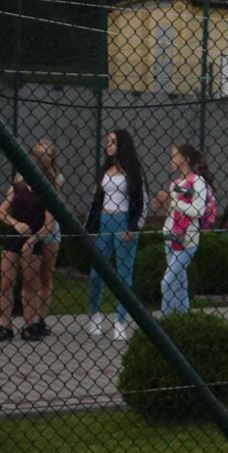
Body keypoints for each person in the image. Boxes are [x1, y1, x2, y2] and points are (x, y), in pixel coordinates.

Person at [84, 128, 145, 341]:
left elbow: (140, 202)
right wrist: (90, 227)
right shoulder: (104, 170)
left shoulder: (133, 171)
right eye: (107, 141)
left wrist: (133, 227)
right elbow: (95, 200)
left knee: (124, 274)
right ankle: (94, 315)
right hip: (103, 221)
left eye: (112, 142)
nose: (108, 145)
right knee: (96, 272)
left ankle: (120, 321)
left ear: (122, 145)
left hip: (123, 222)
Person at [0, 167, 52, 342]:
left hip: (34, 238)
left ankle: (29, 326)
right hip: (13, 237)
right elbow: (1, 211)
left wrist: (32, 241)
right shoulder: (16, 187)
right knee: (6, 282)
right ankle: (5, 326)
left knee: (30, 284)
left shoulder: (46, 191)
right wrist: (15, 223)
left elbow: (49, 225)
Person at [157, 144, 212, 315]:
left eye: (175, 156)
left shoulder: (197, 182)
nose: (171, 159)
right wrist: (161, 203)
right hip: (171, 237)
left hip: (188, 240)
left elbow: (197, 211)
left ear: (186, 159)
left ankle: (165, 321)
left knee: (167, 282)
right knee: (179, 284)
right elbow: (171, 212)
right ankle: (183, 318)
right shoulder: (175, 184)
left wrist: (173, 202)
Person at [24, 139, 64, 337]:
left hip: (50, 230)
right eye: (41, 154)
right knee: (30, 278)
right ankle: (29, 320)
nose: (44, 158)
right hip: (30, 227)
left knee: (45, 277)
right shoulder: (24, 175)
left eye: (48, 154)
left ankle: (41, 319)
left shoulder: (57, 177)